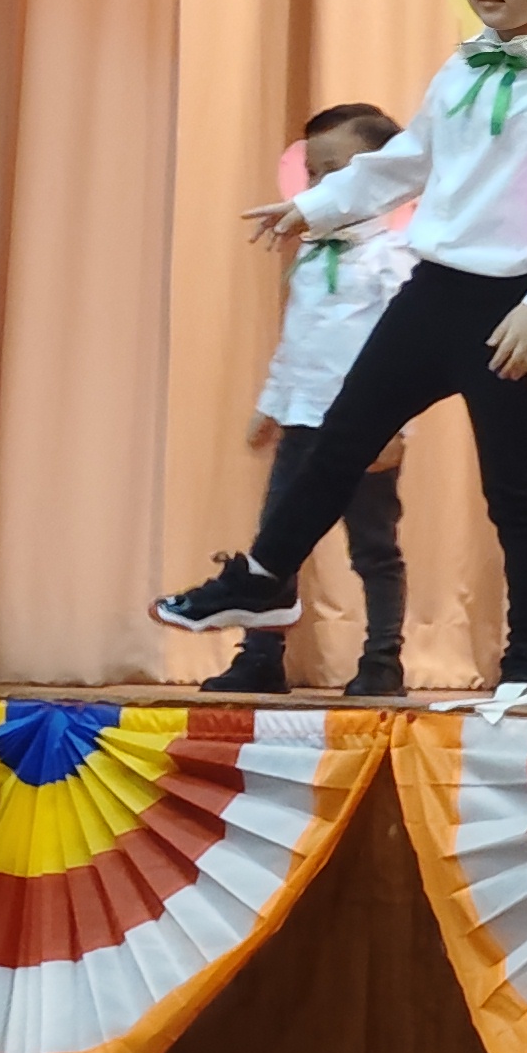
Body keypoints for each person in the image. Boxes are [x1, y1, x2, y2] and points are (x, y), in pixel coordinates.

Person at [151, 0, 527, 695]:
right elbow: (409, 159)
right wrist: (315, 206)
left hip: (510, 308)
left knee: (519, 490)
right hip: (434, 290)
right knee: (339, 439)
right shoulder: (462, 66)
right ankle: (263, 578)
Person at [206, 104, 420, 700]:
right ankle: (260, 657)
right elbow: (297, 342)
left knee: (374, 547)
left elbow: (405, 355)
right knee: (274, 545)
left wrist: (397, 428)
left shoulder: (396, 256)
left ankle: (382, 660)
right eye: (314, 173)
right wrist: (271, 404)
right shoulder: (309, 254)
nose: (321, 186)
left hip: (363, 431)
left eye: (338, 173)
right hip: (301, 425)